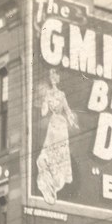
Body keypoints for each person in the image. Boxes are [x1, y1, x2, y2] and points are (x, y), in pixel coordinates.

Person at [35, 68, 78, 204]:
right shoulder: (48, 94)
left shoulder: (61, 94)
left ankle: (52, 186)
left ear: (57, 79)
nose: (53, 79)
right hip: (54, 125)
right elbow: (43, 112)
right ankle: (48, 182)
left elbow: (67, 110)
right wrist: (43, 104)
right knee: (48, 151)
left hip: (61, 125)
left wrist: (72, 121)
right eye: (51, 77)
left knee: (60, 154)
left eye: (55, 76)